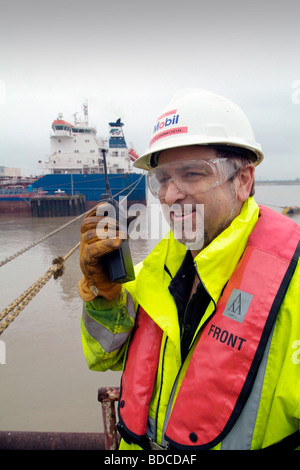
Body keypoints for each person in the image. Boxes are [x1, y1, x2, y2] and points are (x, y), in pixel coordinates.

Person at [78, 89, 300, 450]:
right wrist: (106, 296)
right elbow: (106, 356)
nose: (169, 195)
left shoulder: (294, 283)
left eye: (192, 174)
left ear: (244, 181)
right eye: (162, 179)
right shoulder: (160, 264)